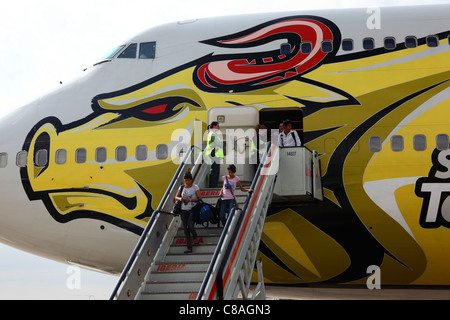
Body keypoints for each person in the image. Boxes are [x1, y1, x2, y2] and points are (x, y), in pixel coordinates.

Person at [174, 171, 202, 253]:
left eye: (189, 180)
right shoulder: (182, 187)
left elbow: (200, 198)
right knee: (185, 229)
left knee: (190, 226)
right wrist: (181, 199)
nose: (187, 182)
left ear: (191, 180)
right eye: (186, 180)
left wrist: (190, 200)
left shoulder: (195, 187)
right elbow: (176, 197)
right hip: (183, 210)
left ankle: (195, 237)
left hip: (192, 209)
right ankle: (189, 247)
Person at [204, 121, 224, 188]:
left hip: (215, 154)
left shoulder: (212, 133)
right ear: (214, 126)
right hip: (214, 155)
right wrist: (217, 146)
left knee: (215, 171)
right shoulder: (212, 133)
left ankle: (214, 185)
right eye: (218, 126)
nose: (219, 127)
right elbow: (214, 143)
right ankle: (213, 186)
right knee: (214, 172)